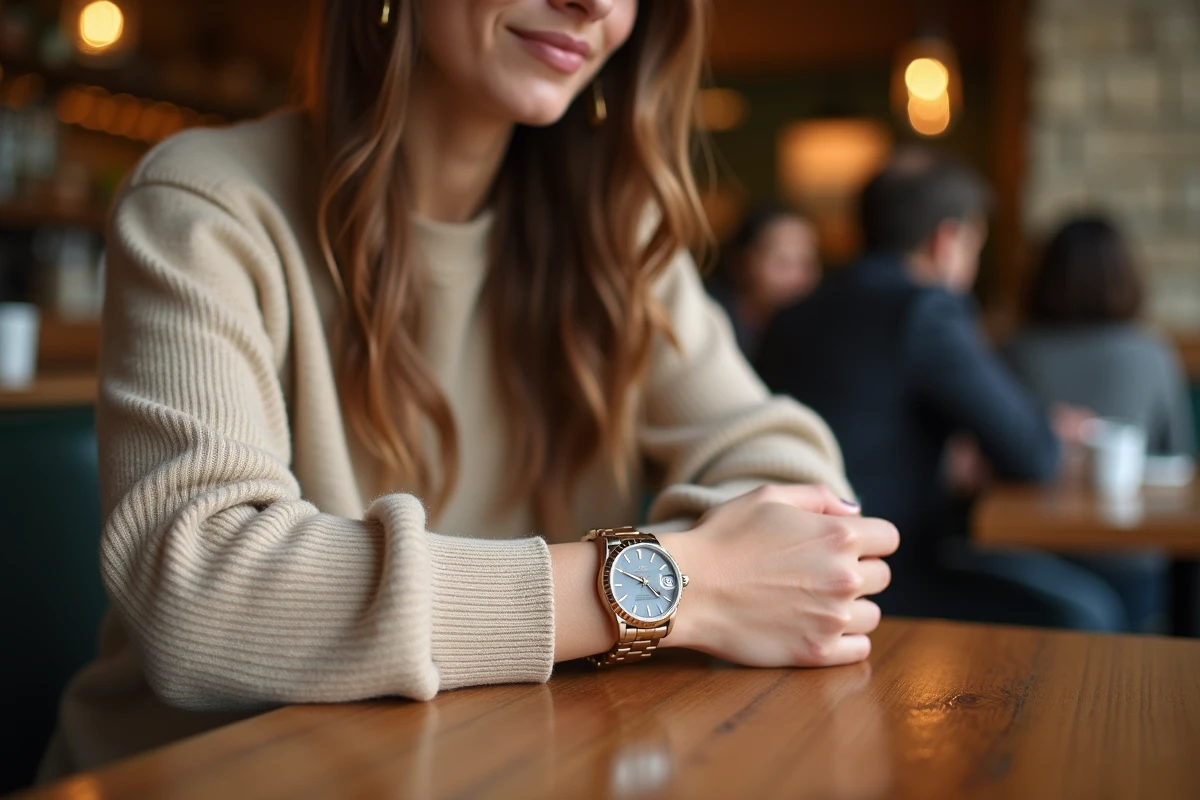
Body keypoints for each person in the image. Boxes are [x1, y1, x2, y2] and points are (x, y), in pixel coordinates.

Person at [39, 0, 900, 781]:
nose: (591, 3)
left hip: (508, 768)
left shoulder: (615, 228)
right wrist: (680, 584)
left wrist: (722, 569)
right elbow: (204, 598)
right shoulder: (204, 202)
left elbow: (793, 473)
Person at [757, 147, 1126, 632]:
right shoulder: (926, 310)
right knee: (1090, 613)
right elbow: (1034, 455)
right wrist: (1052, 430)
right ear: (946, 240)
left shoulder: (791, 315)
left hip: (778, 573)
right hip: (880, 577)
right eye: (974, 247)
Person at [1004, 215, 1196, 632]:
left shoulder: (1012, 352)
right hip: (1130, 561)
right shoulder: (1151, 352)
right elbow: (1179, 457)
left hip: (1029, 562)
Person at [707, 204, 821, 359]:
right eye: (782, 263)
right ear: (740, 262)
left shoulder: (816, 332)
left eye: (807, 263)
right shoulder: (708, 331)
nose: (797, 278)